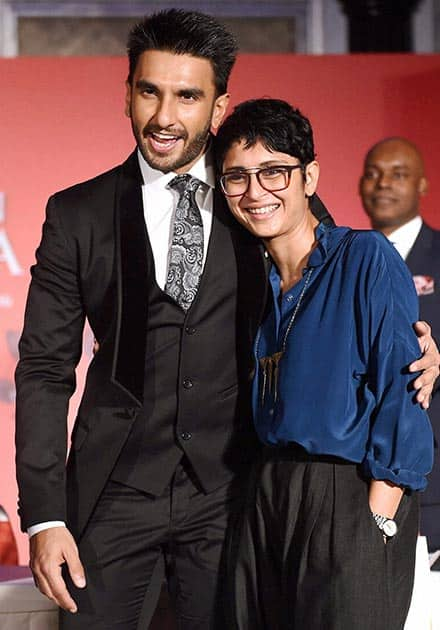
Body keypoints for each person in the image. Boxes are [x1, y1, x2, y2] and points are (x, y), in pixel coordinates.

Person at [14, 10, 438, 629]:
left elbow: (339, 283)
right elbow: (46, 369)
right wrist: (46, 516)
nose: (165, 116)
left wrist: (417, 345)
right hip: (111, 496)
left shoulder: (258, 186)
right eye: (149, 91)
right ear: (127, 93)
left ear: (218, 107)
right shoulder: (76, 214)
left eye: (188, 96)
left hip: (232, 494)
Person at [215, 99, 435, 630]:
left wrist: (379, 512)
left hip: (348, 492)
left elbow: (402, 385)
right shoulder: (251, 282)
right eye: (237, 178)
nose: (255, 192)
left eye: (274, 172)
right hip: (264, 494)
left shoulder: (364, 257)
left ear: (309, 176)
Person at [360, 137, 440, 554]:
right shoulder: (343, 261)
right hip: (359, 483)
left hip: (433, 488)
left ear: (423, 185)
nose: (383, 184)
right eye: (373, 174)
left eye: (398, 174)